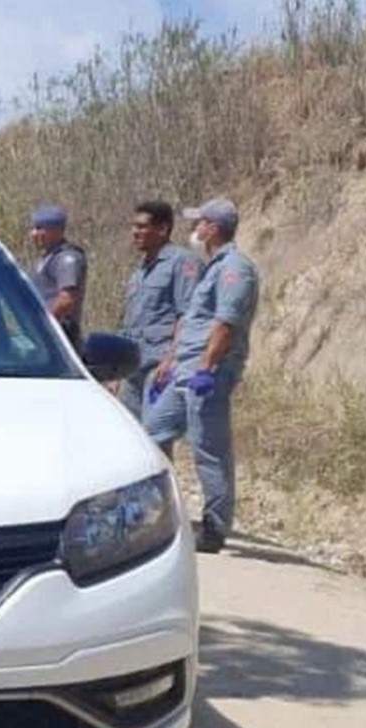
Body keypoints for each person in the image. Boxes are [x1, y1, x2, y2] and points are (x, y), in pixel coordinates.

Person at [144, 197, 260, 554]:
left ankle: (215, 528)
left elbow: (226, 323)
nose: (195, 229)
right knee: (150, 433)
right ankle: (156, 516)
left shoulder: (235, 269)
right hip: (185, 370)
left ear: (212, 227)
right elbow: (195, 322)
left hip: (207, 373)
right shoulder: (213, 266)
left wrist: (207, 368)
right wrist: (172, 362)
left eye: (200, 222)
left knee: (209, 449)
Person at [118, 200, 200, 420]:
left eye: (142, 226)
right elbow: (129, 321)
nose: (135, 232)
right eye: (134, 226)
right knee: (132, 437)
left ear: (163, 229)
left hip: (159, 366)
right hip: (133, 367)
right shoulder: (140, 271)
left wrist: (171, 359)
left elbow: (187, 315)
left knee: (156, 437)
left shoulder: (182, 262)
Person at [28, 205, 87, 344]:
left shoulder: (67, 258)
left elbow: (66, 300)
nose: (33, 234)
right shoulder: (47, 258)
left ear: (57, 231)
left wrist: (44, 325)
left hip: (59, 335)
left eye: (39, 228)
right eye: (34, 229)